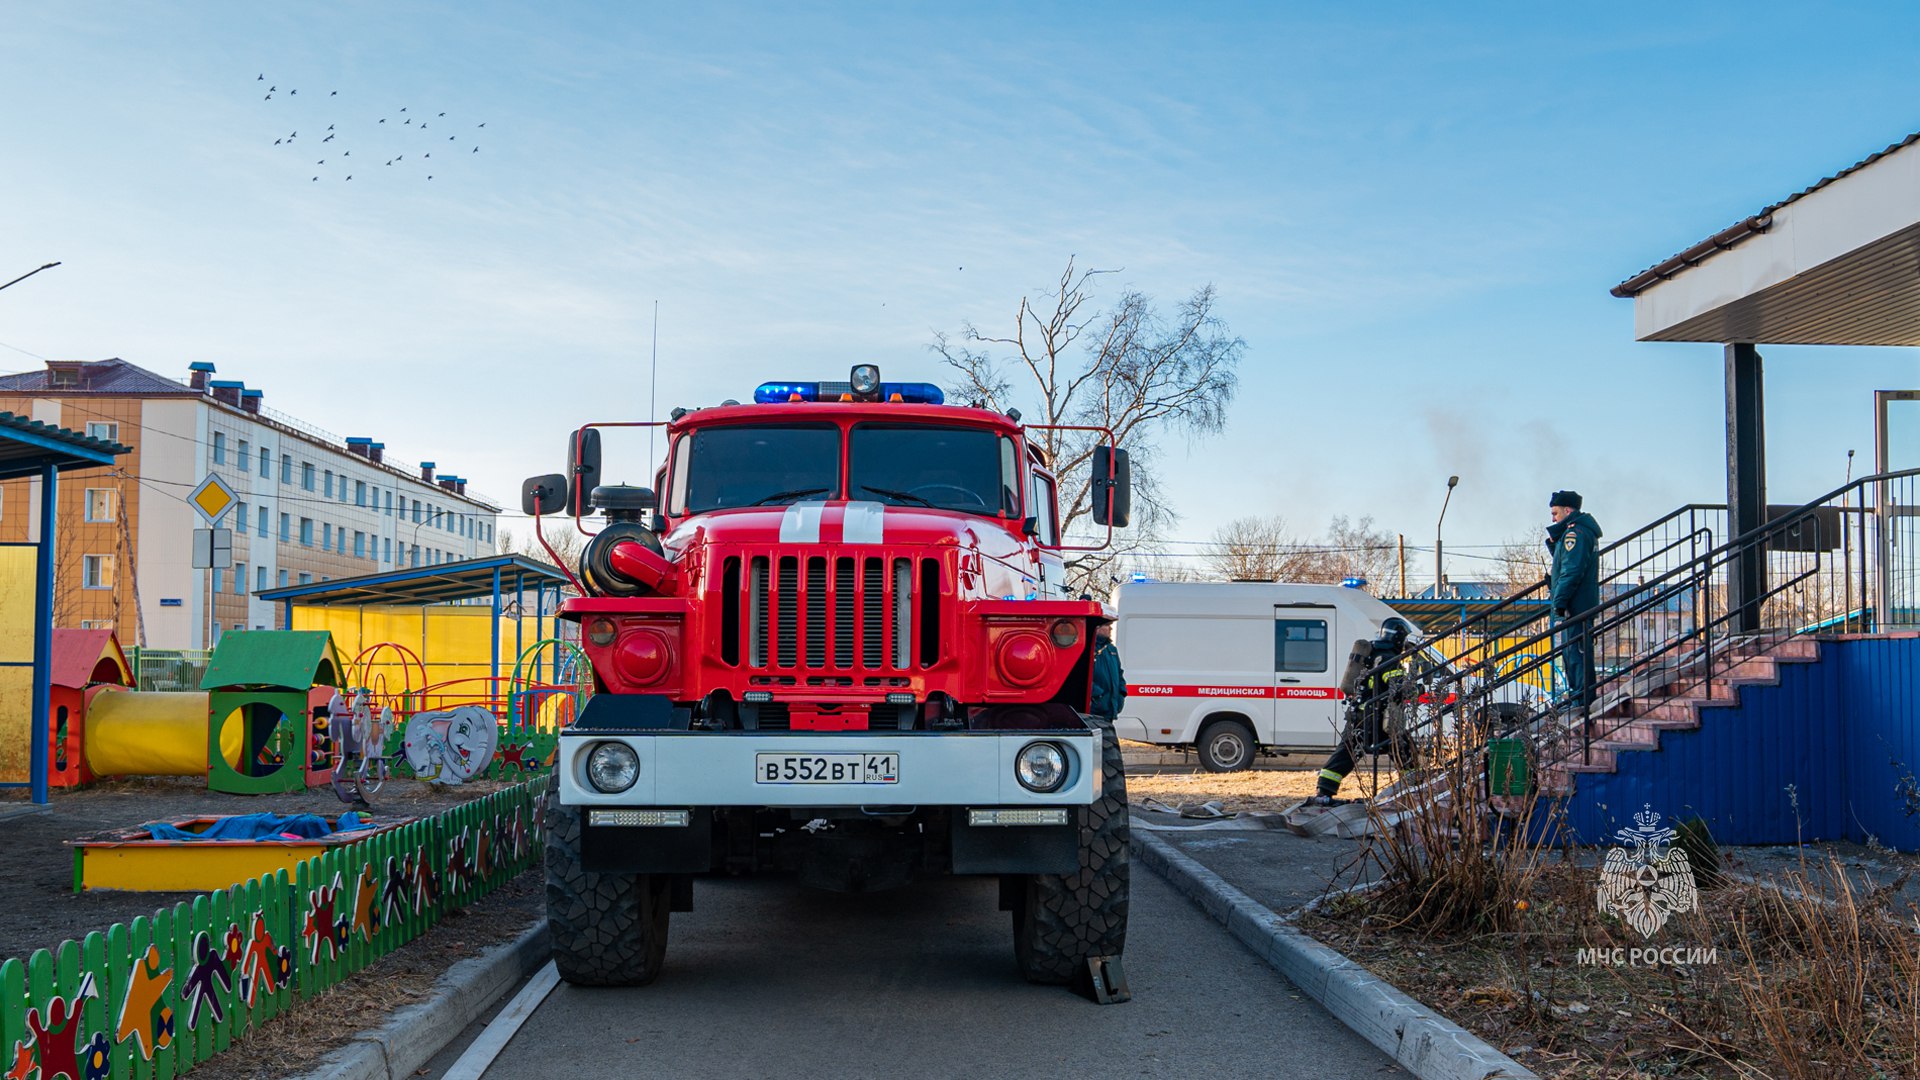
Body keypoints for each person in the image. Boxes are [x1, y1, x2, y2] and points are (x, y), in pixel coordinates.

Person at [1309, 618, 1416, 804]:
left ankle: (1323, 791)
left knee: (1345, 753)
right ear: (1398, 638)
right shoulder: (1390, 659)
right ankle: (1416, 785)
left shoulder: (1373, 652)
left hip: (1358, 714)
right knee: (1403, 746)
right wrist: (1416, 689)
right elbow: (1398, 689)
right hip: (1377, 718)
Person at [1547, 490, 1603, 712]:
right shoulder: (1577, 533)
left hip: (1576, 607)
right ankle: (1578, 697)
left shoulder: (1575, 534)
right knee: (1572, 653)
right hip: (1578, 605)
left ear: (1568, 510)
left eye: (1555, 513)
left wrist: (1559, 601)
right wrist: (1554, 545)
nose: (1553, 519)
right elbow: (1568, 562)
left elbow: (1572, 570)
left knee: (1576, 655)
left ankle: (1581, 700)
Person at [1089, 623, 1126, 722]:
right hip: (1094, 710)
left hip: (1110, 708)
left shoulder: (1111, 649)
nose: (1111, 628)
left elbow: (1119, 673)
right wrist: (1097, 695)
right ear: (1097, 628)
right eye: (1107, 625)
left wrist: (1121, 694)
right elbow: (1079, 676)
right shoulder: (1087, 648)